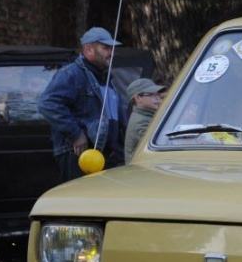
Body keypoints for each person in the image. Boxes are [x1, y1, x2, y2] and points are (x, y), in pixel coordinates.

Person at [38, 26, 125, 182]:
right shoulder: (70, 73)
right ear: (88, 49)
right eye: (105, 48)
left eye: (112, 48)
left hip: (106, 155)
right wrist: (75, 134)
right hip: (79, 155)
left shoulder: (106, 78)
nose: (111, 53)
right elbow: (47, 103)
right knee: (81, 203)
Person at [124, 78, 166, 162]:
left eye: (158, 94)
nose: (158, 98)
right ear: (137, 99)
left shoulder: (148, 115)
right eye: (151, 94)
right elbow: (162, 145)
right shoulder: (140, 122)